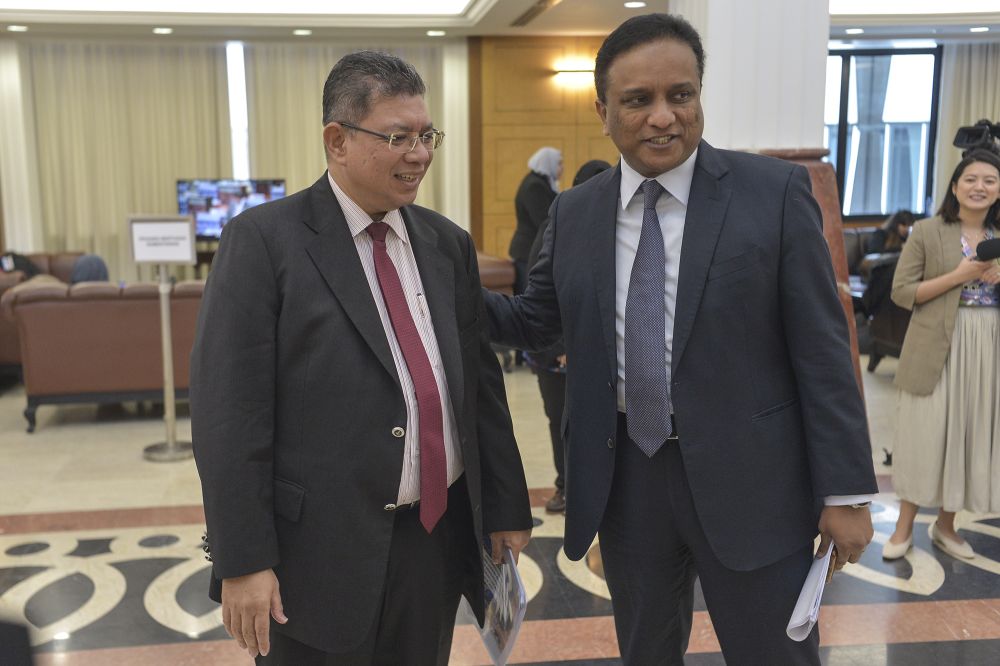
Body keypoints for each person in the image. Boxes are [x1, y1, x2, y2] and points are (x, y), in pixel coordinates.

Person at [483, 13, 877, 664]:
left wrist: (845, 492)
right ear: (603, 111)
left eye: (681, 95)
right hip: (627, 483)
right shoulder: (576, 211)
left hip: (754, 483)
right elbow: (536, 321)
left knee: (775, 655)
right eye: (639, 100)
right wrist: (438, 280)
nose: (664, 117)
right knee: (646, 652)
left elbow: (823, 352)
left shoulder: (772, 193)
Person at [191, 50, 533, 665]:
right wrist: (244, 561)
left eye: (426, 135)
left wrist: (506, 506)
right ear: (337, 140)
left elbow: (478, 386)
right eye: (398, 137)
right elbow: (228, 416)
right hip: (316, 552)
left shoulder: (445, 243)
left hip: (435, 536)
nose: (420, 154)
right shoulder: (264, 242)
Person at [883, 149, 1000, 561]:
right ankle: (902, 528)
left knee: (967, 435)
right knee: (924, 436)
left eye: (989, 180)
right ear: (955, 186)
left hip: (988, 349)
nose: (979, 187)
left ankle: (946, 526)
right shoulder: (928, 231)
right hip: (936, 347)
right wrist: (961, 275)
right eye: (971, 179)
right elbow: (901, 293)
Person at [524, 159, 611, 513]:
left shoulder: (621, 229)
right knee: (562, 424)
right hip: (556, 356)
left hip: (597, 358)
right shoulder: (557, 226)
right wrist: (562, 347)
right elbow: (539, 296)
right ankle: (565, 487)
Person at [508, 147, 562, 295]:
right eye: (559, 164)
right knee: (528, 297)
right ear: (548, 163)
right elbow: (544, 221)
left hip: (532, 251)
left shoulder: (542, 183)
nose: (562, 168)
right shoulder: (534, 186)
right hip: (528, 252)